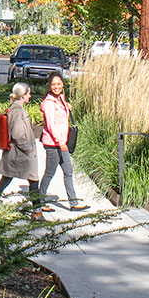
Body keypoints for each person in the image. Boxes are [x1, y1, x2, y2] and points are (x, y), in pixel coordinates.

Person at [39, 72, 89, 211]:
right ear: (49, 86)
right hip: (53, 143)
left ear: (63, 84)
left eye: (59, 84)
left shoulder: (60, 99)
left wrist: (67, 106)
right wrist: (60, 141)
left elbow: (61, 114)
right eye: (53, 84)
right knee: (50, 172)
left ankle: (73, 203)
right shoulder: (49, 103)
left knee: (68, 171)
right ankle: (39, 201)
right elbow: (51, 125)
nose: (56, 87)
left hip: (62, 143)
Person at [0, 83, 41, 202]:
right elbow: (18, 134)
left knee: (6, 179)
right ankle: (37, 212)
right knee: (33, 180)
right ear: (23, 95)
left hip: (16, 153)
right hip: (20, 154)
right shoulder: (18, 111)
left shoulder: (14, 109)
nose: (30, 96)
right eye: (28, 93)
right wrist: (28, 149)